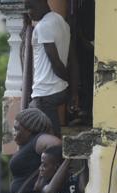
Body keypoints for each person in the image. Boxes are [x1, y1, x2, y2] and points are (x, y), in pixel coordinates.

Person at [25, 0, 79, 137]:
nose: (28, 13)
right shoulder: (62, 23)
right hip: (59, 91)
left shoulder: (43, 26)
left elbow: (55, 62)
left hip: (45, 94)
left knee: (50, 140)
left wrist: (67, 80)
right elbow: (72, 60)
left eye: (30, 7)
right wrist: (72, 90)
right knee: (37, 132)